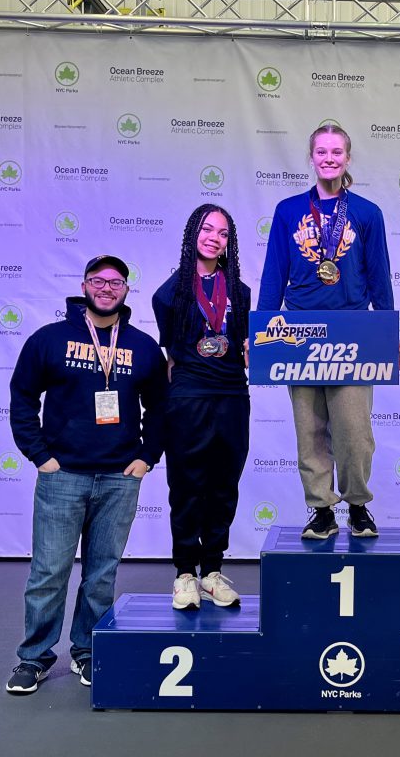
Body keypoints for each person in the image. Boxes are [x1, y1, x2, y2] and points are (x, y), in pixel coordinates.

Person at [6, 255, 167, 694]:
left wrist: (146, 457)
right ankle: (34, 658)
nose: (107, 288)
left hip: (119, 478)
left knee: (101, 574)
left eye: (116, 282)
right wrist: (41, 457)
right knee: (49, 572)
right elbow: (22, 397)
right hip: (64, 476)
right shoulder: (50, 339)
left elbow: (160, 407)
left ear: (126, 290)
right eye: (98, 280)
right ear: (84, 286)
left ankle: (90, 652)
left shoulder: (143, 345)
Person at [258, 123, 394, 539]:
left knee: (354, 432)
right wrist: (262, 328)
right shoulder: (288, 211)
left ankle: (357, 506)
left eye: (337, 152)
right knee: (310, 430)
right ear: (312, 157)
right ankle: (320, 508)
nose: (329, 158)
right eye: (321, 152)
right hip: (299, 333)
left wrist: (387, 331)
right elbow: (274, 273)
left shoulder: (368, 213)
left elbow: (379, 276)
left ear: (348, 158)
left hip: (352, 332)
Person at [152, 205, 251, 611]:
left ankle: (211, 570)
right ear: (192, 233)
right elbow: (173, 352)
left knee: (224, 486)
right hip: (188, 397)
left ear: (230, 243)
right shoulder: (169, 292)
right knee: (187, 487)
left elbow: (243, 348)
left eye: (223, 233)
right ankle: (184, 575)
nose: (215, 237)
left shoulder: (241, 292)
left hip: (232, 396)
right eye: (207, 229)